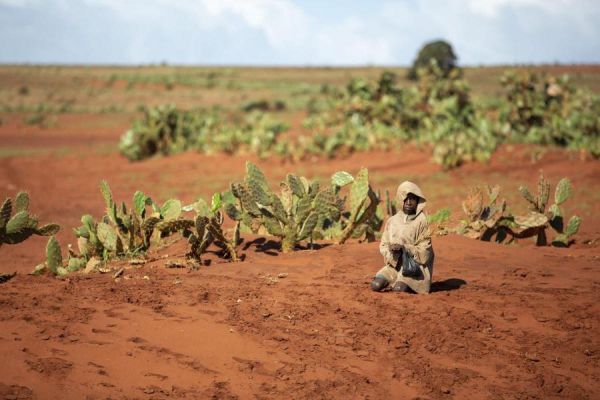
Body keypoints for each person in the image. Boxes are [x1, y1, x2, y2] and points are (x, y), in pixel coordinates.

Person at [371, 181, 434, 294]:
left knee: (399, 290)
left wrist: (405, 248)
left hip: (414, 269)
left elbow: (426, 251)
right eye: (405, 198)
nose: (409, 202)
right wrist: (391, 251)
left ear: (418, 200)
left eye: (412, 199)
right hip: (394, 266)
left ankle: (404, 282)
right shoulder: (392, 221)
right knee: (376, 285)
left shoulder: (422, 221)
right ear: (400, 199)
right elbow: (383, 245)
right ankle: (396, 279)